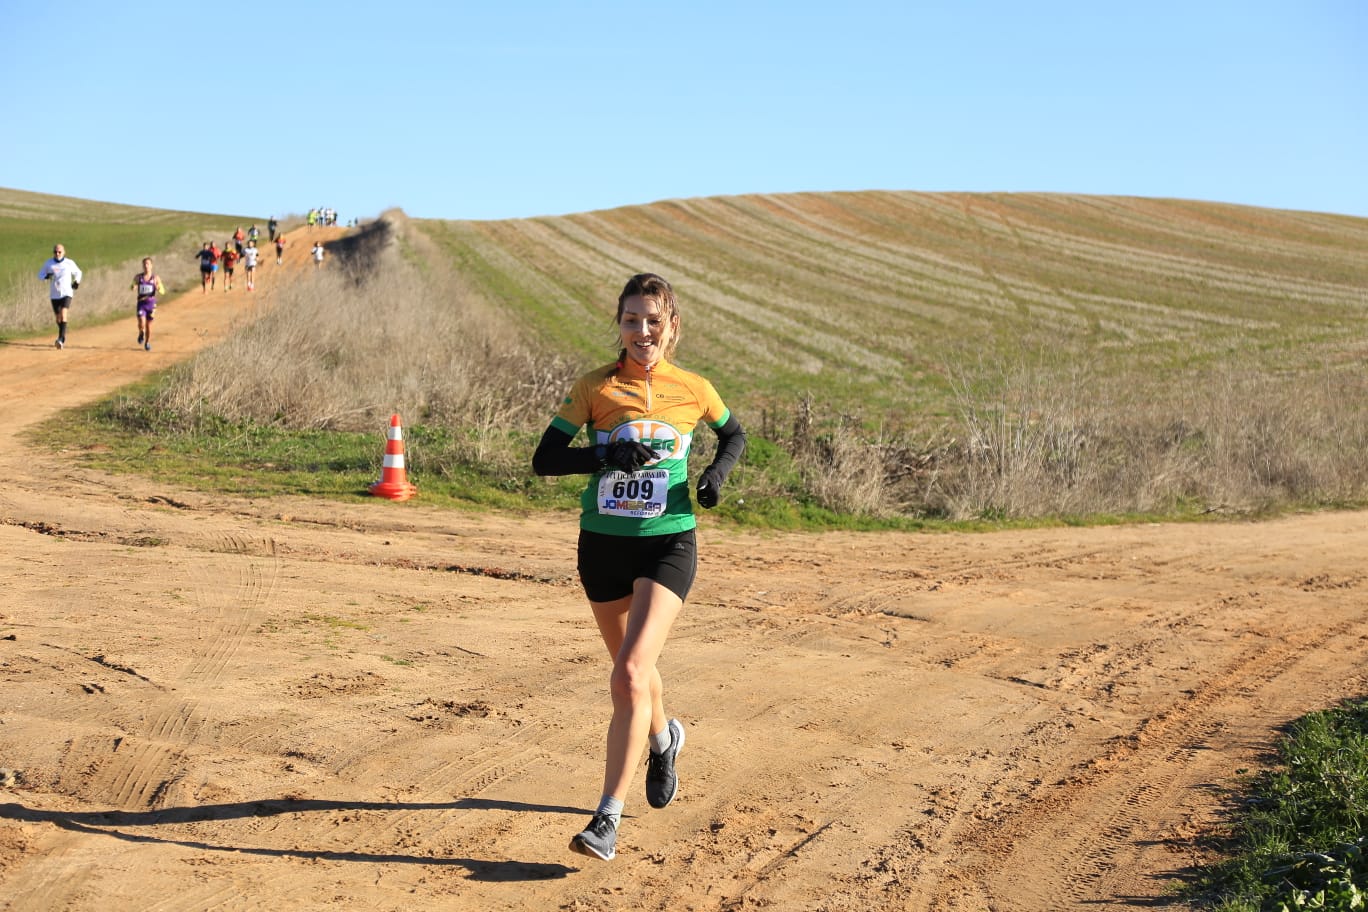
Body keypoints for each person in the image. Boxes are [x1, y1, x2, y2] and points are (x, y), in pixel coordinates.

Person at [531, 272, 746, 862]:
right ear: (619, 324)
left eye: (653, 320)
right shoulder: (595, 387)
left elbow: (735, 436)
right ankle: (663, 737)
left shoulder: (694, 388)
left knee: (627, 674)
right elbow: (545, 459)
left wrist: (715, 477)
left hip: (667, 543)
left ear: (672, 326)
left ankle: (606, 818)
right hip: (602, 544)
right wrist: (604, 451)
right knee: (635, 670)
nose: (642, 330)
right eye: (631, 319)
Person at [37, 243, 83, 349]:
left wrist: (77, 282)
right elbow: (40, 275)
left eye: (59, 252)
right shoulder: (49, 263)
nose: (57, 254)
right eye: (55, 252)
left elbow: (79, 273)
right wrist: (46, 276)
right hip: (54, 294)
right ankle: (63, 330)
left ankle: (61, 339)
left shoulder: (69, 263)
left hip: (67, 293)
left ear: (64, 252)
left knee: (64, 313)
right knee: (58, 319)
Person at [131, 257, 164, 351]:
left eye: (148, 264)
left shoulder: (156, 278)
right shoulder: (138, 277)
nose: (146, 266)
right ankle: (141, 332)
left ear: (151, 266)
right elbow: (132, 286)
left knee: (148, 326)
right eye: (144, 264)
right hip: (141, 303)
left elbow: (163, 291)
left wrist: (158, 288)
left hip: (151, 305)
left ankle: (147, 342)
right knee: (141, 323)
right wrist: (133, 286)